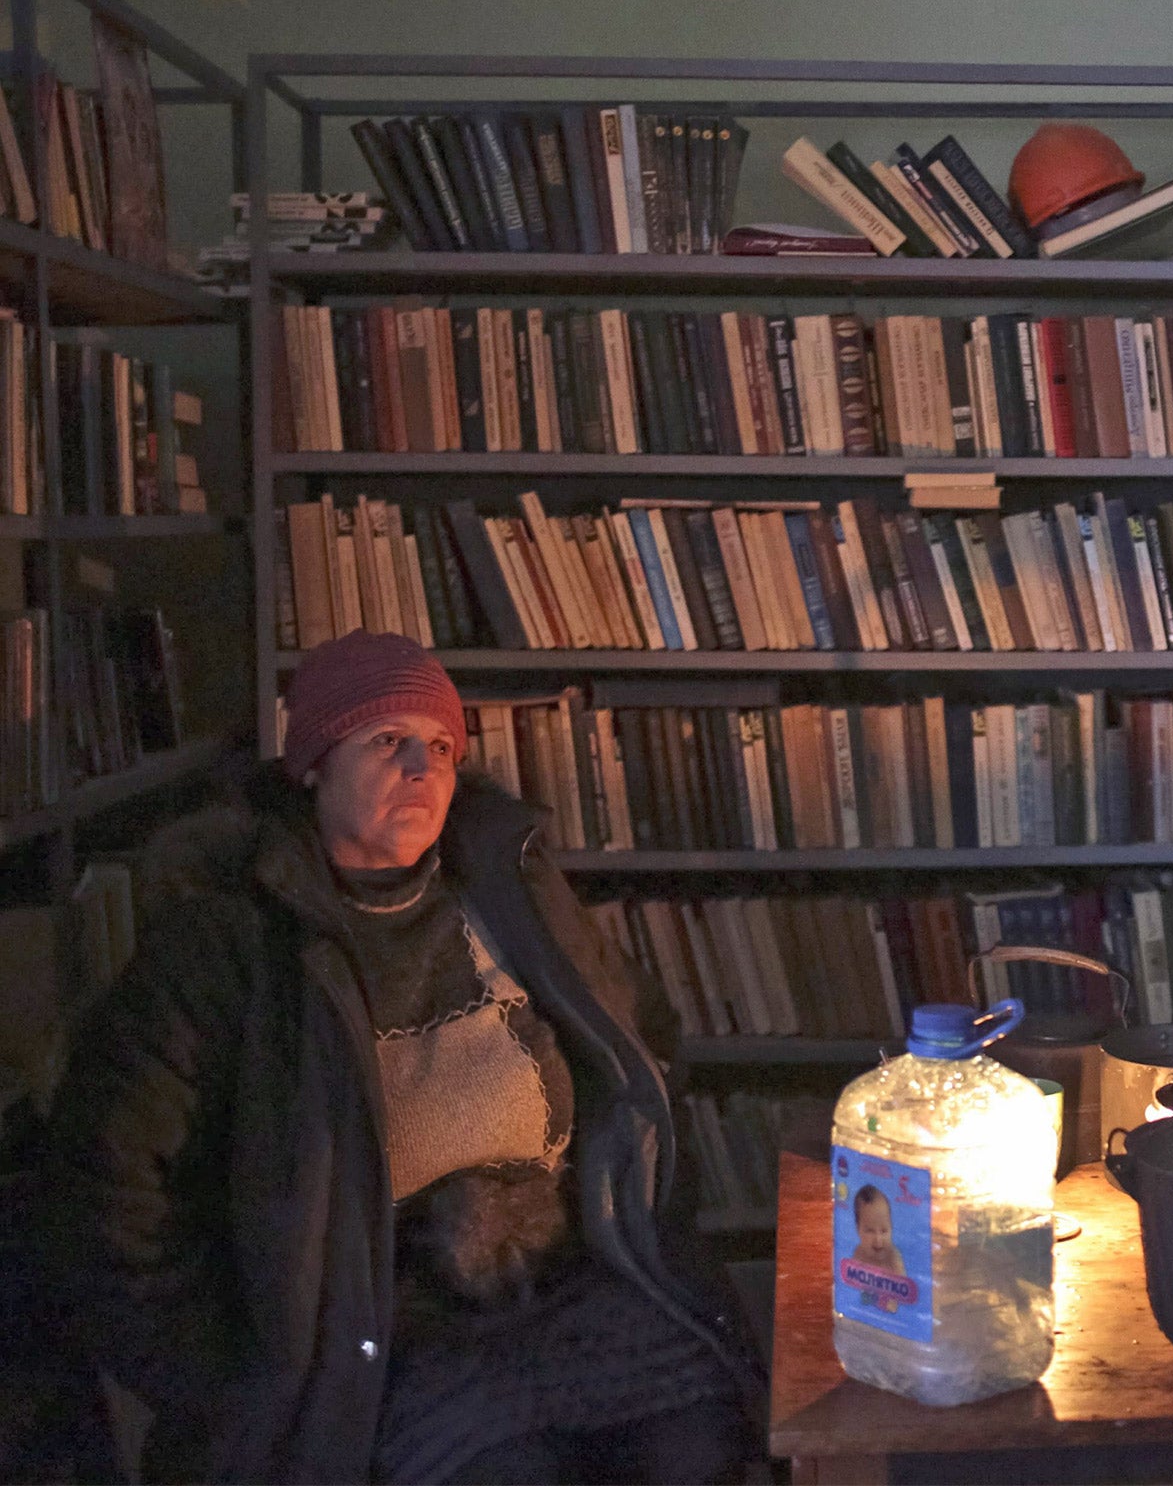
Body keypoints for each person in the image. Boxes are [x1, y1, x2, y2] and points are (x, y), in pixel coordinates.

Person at [33, 630, 763, 1485]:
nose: (423, 768)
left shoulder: (510, 892)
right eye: (387, 741)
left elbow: (643, 1054)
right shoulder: (226, 946)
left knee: (700, 1444)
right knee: (511, 1474)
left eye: (442, 747)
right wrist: (235, 1376)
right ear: (313, 763)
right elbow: (107, 1189)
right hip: (378, 1340)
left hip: (568, 1291)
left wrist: (651, 1228)